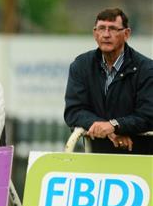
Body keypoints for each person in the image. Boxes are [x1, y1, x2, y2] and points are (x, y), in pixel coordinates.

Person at [64, 8, 153, 154]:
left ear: (126, 34)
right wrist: (106, 128)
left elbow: (148, 114)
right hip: (96, 158)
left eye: (112, 29)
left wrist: (115, 125)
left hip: (141, 160)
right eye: (101, 28)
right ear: (95, 33)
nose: (106, 34)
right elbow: (74, 111)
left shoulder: (147, 69)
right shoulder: (81, 65)